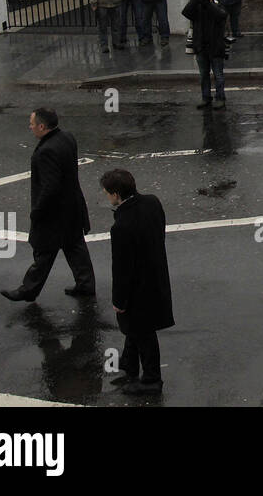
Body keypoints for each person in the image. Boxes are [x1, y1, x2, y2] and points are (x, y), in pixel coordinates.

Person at [1, 108, 96, 302]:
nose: (30, 127)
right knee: (75, 246)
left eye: (32, 124)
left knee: (44, 252)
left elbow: (50, 187)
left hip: (55, 214)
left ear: (42, 126)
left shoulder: (46, 151)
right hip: (72, 206)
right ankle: (86, 285)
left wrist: (37, 211)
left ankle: (28, 290)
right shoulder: (67, 137)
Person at [101, 168, 174, 396]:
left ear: (115, 194)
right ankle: (129, 361)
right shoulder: (152, 202)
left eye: (106, 193)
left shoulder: (121, 227)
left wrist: (119, 300)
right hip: (156, 275)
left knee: (143, 331)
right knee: (137, 327)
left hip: (137, 288)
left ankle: (152, 379)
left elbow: (122, 268)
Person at [182, 0, 227, 110]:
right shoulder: (197, 8)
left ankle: (220, 98)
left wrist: (209, 4)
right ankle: (206, 97)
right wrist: (196, 0)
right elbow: (186, 12)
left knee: (218, 74)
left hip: (215, 46)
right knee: (203, 75)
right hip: (201, 45)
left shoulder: (218, 4)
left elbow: (221, 15)